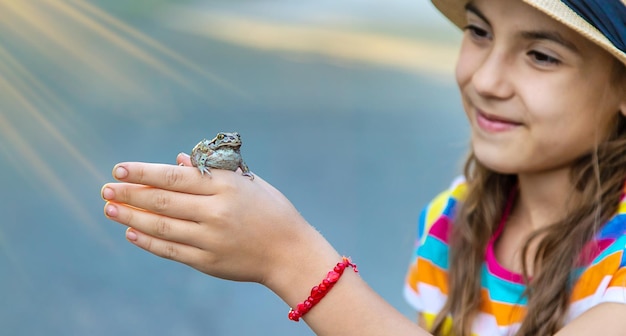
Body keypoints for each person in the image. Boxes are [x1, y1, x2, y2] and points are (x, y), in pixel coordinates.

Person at [101, 0, 626, 335]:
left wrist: (291, 258)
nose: (487, 79)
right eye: (479, 30)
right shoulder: (454, 220)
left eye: (541, 56)